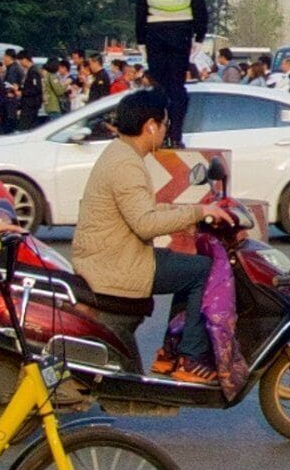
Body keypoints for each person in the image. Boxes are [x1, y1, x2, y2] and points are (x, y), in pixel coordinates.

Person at [67, 91, 235, 379]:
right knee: (206, 271)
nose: (167, 129)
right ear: (151, 126)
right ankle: (190, 359)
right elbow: (145, 223)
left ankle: (173, 352)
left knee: (188, 266)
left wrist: (192, 212)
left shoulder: (121, 153)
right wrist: (196, 213)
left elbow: (142, 209)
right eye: (166, 123)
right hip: (116, 266)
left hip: (117, 256)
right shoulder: (126, 163)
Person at [136, 0, 211, 125]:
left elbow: (140, 10)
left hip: (154, 35)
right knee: (177, 87)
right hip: (181, 34)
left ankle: (159, 128)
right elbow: (200, 9)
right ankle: (175, 134)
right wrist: (199, 38)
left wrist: (141, 42)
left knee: (159, 86)